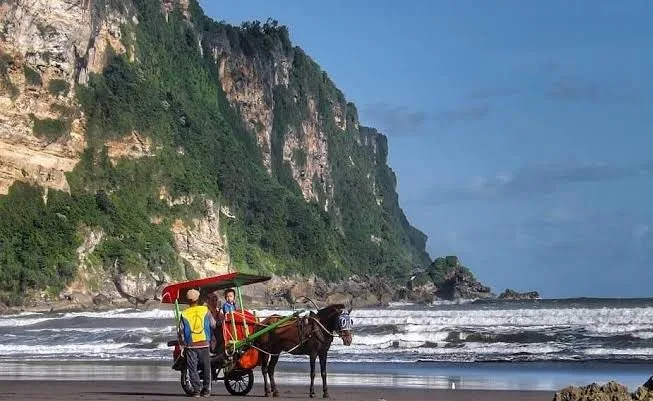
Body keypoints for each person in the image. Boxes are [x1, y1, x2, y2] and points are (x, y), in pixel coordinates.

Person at [179, 288, 216, 398]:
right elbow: (213, 324)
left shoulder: (184, 313)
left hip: (191, 344)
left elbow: (181, 331)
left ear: (188, 301)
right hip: (204, 342)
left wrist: (182, 345)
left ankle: (196, 390)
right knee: (206, 366)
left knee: (192, 368)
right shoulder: (205, 310)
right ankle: (206, 390)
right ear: (198, 299)